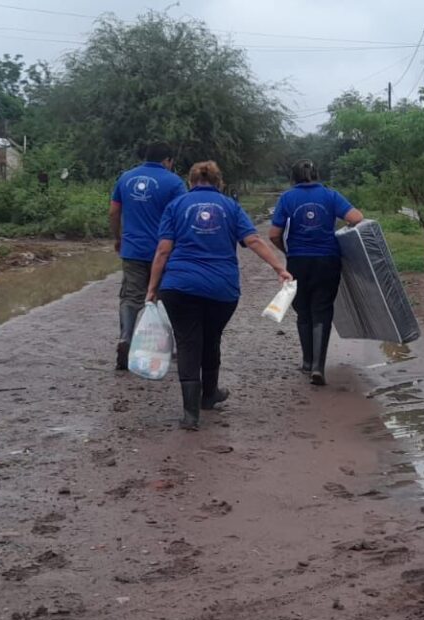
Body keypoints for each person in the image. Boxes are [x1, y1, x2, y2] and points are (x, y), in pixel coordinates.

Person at [147, 161, 292, 430]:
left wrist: (153, 288)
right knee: (211, 338)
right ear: (219, 182)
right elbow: (254, 241)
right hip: (221, 289)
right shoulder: (231, 207)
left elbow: (163, 250)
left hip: (178, 287)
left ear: (190, 181)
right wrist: (279, 268)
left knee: (189, 342)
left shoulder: (176, 206)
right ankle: (209, 395)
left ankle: (191, 414)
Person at [269, 160, 365, 385]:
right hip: (327, 261)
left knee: (303, 310)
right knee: (321, 309)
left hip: (298, 261)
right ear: (317, 174)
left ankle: (307, 360)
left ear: (293, 177)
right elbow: (356, 218)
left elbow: (274, 234)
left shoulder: (287, 198)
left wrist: (288, 250)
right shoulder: (331, 196)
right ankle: (318, 367)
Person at [111, 142, 186, 370]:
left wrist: (118, 238)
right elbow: (181, 215)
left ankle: (126, 337)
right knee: (165, 297)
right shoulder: (174, 182)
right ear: (168, 160)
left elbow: (114, 211)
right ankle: (162, 346)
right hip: (163, 251)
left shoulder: (125, 178)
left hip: (132, 249)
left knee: (130, 297)